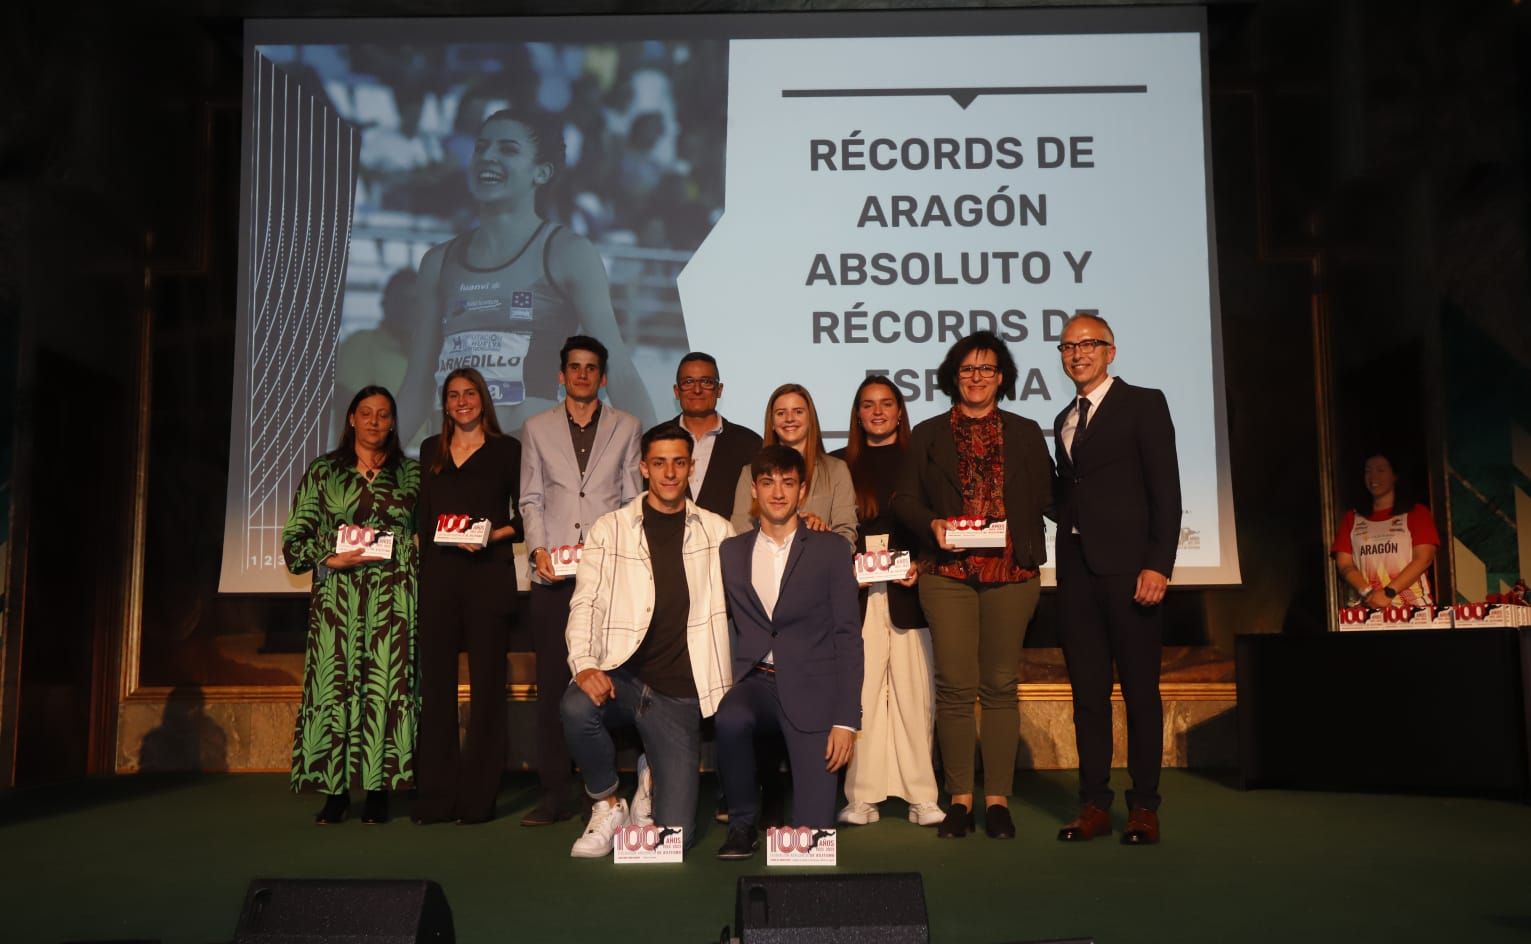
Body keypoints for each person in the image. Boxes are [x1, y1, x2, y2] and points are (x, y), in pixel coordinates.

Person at [397, 109, 656, 445]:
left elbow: (619, 371)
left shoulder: (568, 253)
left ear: (542, 172)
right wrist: (367, 471)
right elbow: (416, 387)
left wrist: (661, 459)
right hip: (451, 465)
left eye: (508, 149)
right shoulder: (438, 262)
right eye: (481, 148)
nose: (487, 157)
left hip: (530, 466)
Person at [893, 331, 1053, 840]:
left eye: (986, 369)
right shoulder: (928, 433)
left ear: (1002, 377)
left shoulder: (1027, 432)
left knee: (1001, 686)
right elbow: (902, 498)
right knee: (956, 688)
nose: (977, 377)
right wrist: (933, 525)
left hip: (1013, 573)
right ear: (952, 377)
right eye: (967, 369)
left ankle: (998, 800)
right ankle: (960, 798)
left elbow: (1051, 495)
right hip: (948, 575)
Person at [559, 423, 734, 857]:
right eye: (659, 463)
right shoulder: (610, 528)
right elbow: (586, 604)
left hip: (681, 694)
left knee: (674, 838)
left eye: (679, 462)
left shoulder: (718, 531)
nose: (670, 473)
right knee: (576, 705)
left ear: (691, 467)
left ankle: (652, 773)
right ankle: (608, 802)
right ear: (643, 468)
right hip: (624, 675)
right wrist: (584, 664)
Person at [1050, 314, 1181, 846]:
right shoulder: (1062, 416)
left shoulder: (1144, 403)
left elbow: (1166, 491)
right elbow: (1067, 497)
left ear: (1111, 351)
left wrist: (1159, 564)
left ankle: (1144, 807)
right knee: (1087, 695)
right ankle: (1093, 805)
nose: (1077, 353)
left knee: (1140, 693)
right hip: (1077, 571)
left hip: (1132, 571)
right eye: (1067, 346)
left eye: (1088, 344)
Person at [714, 446, 864, 859]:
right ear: (754, 492)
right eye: (767, 482)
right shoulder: (731, 552)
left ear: (802, 492)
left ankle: (806, 818)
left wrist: (846, 720)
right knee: (729, 716)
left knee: (813, 839)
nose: (777, 492)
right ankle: (742, 824)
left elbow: (848, 635)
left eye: (788, 482)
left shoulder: (831, 549)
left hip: (815, 690)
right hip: (758, 683)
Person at [518, 335, 643, 826]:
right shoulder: (535, 427)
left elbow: (634, 500)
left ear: (603, 377)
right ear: (561, 375)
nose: (583, 375)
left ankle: (611, 790)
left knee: (611, 684)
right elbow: (530, 499)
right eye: (575, 367)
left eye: (592, 368)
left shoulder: (628, 427)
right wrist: (537, 549)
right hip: (553, 578)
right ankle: (555, 793)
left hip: (610, 579)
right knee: (553, 687)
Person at [282, 386, 420, 825]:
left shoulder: (412, 475)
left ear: (393, 423)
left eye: (383, 415)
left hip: (394, 600)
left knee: (386, 690)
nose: (375, 422)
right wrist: (329, 553)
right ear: (352, 420)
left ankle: (379, 791)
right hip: (337, 601)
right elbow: (294, 541)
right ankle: (335, 792)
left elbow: (429, 537)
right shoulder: (324, 471)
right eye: (367, 413)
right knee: (334, 689)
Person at [412, 368, 523, 825]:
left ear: (484, 399)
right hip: (439, 581)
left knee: (487, 691)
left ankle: (478, 800)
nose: (462, 402)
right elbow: (421, 519)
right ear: (445, 404)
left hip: (487, 578)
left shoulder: (507, 450)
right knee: (435, 690)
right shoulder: (428, 451)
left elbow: (526, 517)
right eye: (454, 395)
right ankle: (437, 798)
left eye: (470, 393)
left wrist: (491, 535)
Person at [831, 377, 942, 828]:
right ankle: (862, 796)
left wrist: (926, 565)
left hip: (909, 591)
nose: (877, 412)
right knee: (863, 696)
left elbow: (940, 525)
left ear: (900, 411)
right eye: (868, 405)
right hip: (857, 595)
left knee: (916, 695)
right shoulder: (839, 464)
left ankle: (923, 795)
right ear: (857, 414)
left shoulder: (925, 460)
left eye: (886, 404)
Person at [730, 383, 856, 545]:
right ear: (772, 423)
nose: (789, 419)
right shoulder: (750, 472)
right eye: (781, 413)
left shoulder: (836, 470)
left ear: (810, 419)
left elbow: (846, 535)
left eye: (798, 412)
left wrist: (820, 534)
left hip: (819, 567)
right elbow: (740, 530)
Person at [1331, 452, 1439, 608]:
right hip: (1367, 611)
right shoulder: (1352, 517)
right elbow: (1344, 564)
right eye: (1368, 471)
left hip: (1413, 610)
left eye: (1380, 470)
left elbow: (1424, 558)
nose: (1373, 477)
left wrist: (1389, 592)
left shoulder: (1416, 513)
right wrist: (1369, 593)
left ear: (1395, 475)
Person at [671, 352, 762, 518]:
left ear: (719, 390)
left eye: (706, 382)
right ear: (677, 391)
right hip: (666, 541)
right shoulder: (656, 440)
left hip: (730, 541)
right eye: (688, 382)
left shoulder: (749, 443)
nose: (697, 390)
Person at [334, 269, 416, 434]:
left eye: (416, 302)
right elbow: (349, 408)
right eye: (402, 301)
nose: (409, 309)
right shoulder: (361, 344)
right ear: (385, 304)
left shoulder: (432, 353)